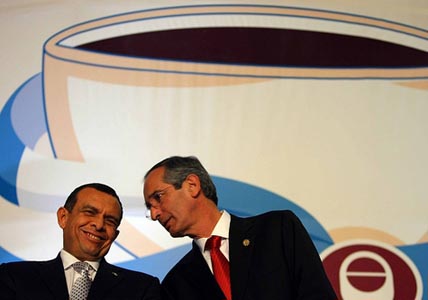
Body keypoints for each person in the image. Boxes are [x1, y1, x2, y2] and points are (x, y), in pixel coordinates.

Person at [143, 156, 337, 300]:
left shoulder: (277, 230)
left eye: (158, 198)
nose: (154, 214)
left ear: (192, 185)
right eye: (149, 207)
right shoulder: (176, 284)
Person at [0, 183, 162, 300]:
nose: (98, 225)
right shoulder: (14, 277)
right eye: (90, 212)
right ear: (63, 217)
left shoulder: (141, 288)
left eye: (110, 221)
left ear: (115, 235)